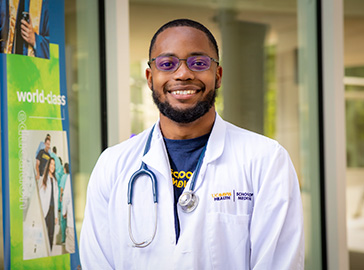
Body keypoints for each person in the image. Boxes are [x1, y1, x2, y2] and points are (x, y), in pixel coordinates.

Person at [80, 18, 304, 269]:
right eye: (167, 63)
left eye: (199, 63)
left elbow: (278, 263)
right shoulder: (113, 164)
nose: (184, 73)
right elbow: (96, 262)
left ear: (217, 75)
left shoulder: (266, 160)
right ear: (150, 77)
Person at [38, 157, 59, 251]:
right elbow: (40, 196)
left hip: (52, 210)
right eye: (51, 164)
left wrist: (56, 216)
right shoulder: (43, 179)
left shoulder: (55, 181)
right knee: (43, 233)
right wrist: (40, 212)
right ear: (48, 165)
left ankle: (49, 252)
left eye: (54, 165)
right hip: (44, 210)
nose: (53, 166)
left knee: (51, 233)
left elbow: (56, 199)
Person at [61, 168, 75, 253]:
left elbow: (65, 197)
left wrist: (63, 211)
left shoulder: (69, 178)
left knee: (71, 248)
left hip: (72, 223)